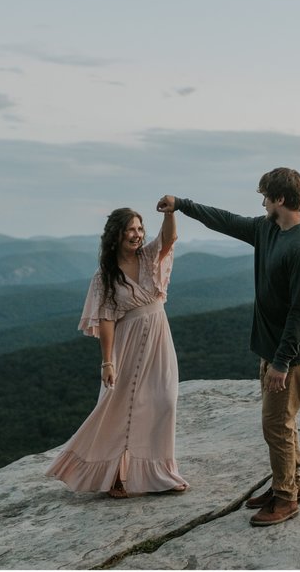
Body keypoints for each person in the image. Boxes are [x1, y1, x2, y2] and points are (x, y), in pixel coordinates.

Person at [157, 167, 300, 526]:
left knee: (276, 425)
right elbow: (227, 221)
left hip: (293, 354)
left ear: (280, 199)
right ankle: (289, 484)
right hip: (275, 349)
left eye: (264, 195)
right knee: (283, 422)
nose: (262, 202)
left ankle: (285, 499)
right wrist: (182, 205)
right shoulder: (268, 229)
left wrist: (280, 363)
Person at [45, 207, 189, 498]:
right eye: (130, 230)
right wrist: (107, 361)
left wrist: (171, 210)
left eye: (139, 229)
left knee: (165, 401)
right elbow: (107, 320)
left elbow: (170, 238)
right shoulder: (105, 277)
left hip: (159, 339)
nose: (136, 235)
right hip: (128, 343)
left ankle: (159, 473)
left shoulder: (149, 257)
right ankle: (116, 477)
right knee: (120, 407)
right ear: (117, 235)